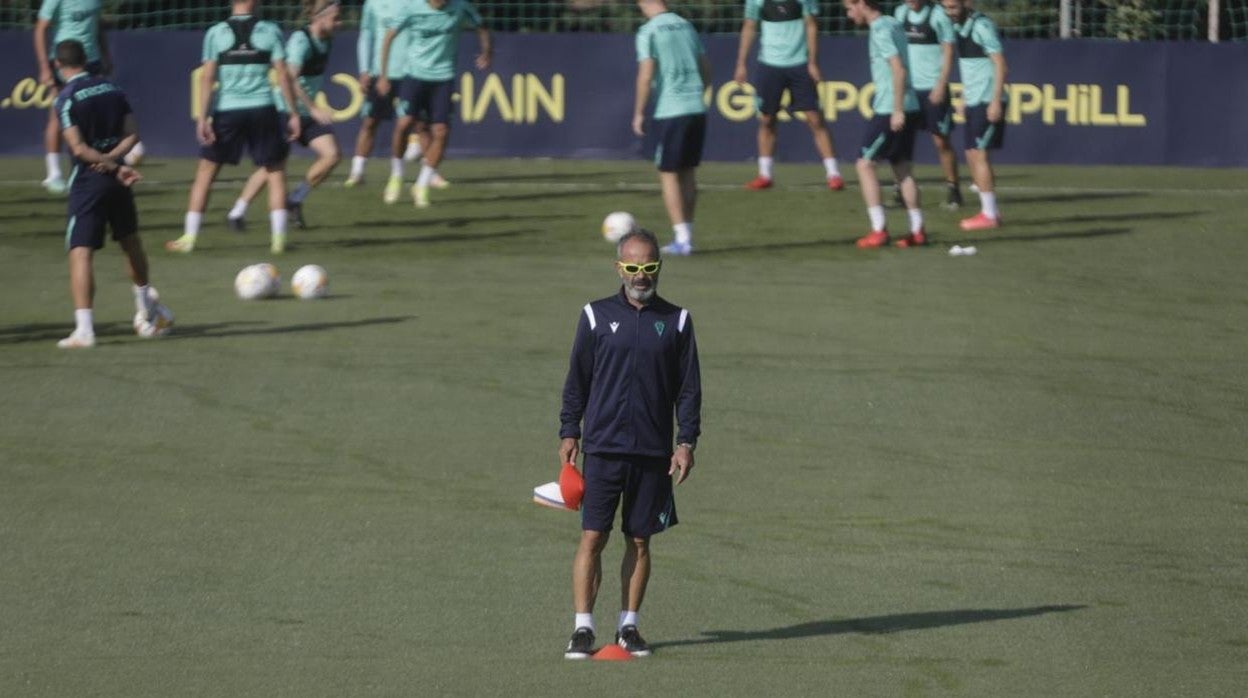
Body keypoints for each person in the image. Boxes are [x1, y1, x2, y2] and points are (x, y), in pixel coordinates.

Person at [558, 228, 701, 660]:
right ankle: (583, 629)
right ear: (619, 267)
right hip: (602, 447)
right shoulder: (595, 315)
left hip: (652, 452)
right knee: (592, 536)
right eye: (634, 267)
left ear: (659, 267)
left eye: (650, 267)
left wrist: (685, 442)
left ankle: (629, 626)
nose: (642, 276)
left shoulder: (676, 320)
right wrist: (570, 431)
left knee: (640, 540)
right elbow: (577, 380)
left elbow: (689, 390)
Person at [51, 40, 172, 349]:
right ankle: (145, 307)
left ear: (59, 65)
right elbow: (132, 134)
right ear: (86, 60)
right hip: (118, 178)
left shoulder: (66, 99)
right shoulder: (112, 88)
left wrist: (104, 162)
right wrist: (117, 163)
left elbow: (78, 148)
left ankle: (85, 330)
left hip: (89, 181)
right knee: (130, 242)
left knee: (80, 251)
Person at [166, 0, 300, 255]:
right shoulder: (270, 30)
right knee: (275, 171)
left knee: (206, 173)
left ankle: (189, 238)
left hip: (228, 109)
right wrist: (293, 113)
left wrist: (203, 118)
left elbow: (207, 76)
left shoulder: (216, 33)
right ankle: (278, 240)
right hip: (263, 108)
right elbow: (283, 75)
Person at [228, 0, 343, 231]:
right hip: (284, 110)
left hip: (305, 112)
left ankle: (295, 200)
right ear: (320, 17)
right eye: (335, 18)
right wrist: (311, 109)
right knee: (273, 164)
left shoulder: (327, 40)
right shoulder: (301, 41)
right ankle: (237, 212)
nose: (339, 23)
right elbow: (290, 79)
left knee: (332, 155)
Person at [377, 0, 491, 207]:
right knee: (404, 124)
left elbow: (480, 25)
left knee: (441, 132)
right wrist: (383, 75)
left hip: (443, 78)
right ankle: (396, 176)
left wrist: (486, 51)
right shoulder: (412, 8)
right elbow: (389, 36)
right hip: (414, 75)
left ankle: (421, 185)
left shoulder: (460, 6)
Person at [734, 0, 844, 191]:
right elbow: (749, 26)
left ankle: (833, 174)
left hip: (799, 64)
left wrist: (812, 62)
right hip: (769, 65)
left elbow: (811, 25)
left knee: (814, 119)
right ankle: (765, 175)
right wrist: (741, 63)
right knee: (767, 120)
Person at [842, 0, 925, 249]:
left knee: (864, 164)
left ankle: (878, 230)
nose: (848, 14)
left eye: (849, 7)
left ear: (862, 4)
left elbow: (898, 71)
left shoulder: (880, 29)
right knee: (902, 169)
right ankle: (917, 230)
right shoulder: (893, 23)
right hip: (910, 105)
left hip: (891, 107)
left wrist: (896, 109)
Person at [33, 0, 137, 194]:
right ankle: (53, 173)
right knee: (57, 115)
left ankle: (105, 160)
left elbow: (97, 26)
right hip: (66, 61)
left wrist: (106, 56)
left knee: (99, 110)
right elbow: (40, 28)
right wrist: (44, 67)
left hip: (92, 60)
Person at [632, 0, 711, 256]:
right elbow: (705, 68)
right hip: (695, 107)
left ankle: (682, 239)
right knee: (687, 172)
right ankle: (686, 235)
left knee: (668, 173)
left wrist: (639, 112)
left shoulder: (649, 31)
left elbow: (646, 74)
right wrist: (698, 93)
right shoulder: (686, 25)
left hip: (671, 109)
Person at [942, 0, 1007, 230]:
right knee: (971, 154)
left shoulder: (981, 26)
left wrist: (996, 101)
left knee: (979, 155)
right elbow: (972, 69)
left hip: (987, 101)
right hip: (974, 101)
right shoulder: (959, 27)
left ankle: (990, 215)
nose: (949, 12)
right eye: (946, 8)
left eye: (953, 7)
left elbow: (1000, 64)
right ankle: (987, 209)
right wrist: (965, 99)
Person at [895, 0, 962, 209]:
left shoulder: (938, 15)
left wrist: (941, 83)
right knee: (902, 142)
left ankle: (953, 188)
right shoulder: (900, 13)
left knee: (941, 141)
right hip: (909, 90)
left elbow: (949, 50)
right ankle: (902, 190)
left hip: (933, 89)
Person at [345, 0, 410, 189]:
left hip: (410, 72)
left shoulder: (416, 3)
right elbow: (366, 35)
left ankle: (426, 173)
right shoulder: (372, 3)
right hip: (380, 73)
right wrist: (364, 69)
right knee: (370, 121)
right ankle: (357, 172)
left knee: (415, 124)